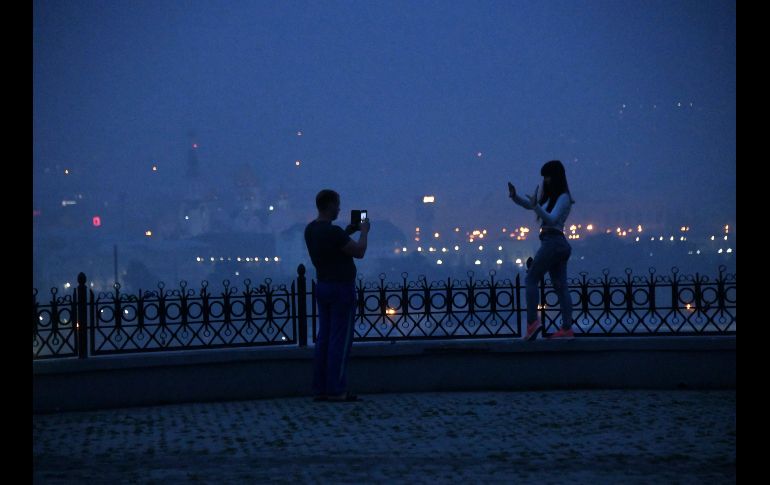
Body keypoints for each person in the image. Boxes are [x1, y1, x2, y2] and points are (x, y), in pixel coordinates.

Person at [304, 189, 370, 402]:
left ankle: (321, 388)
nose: (340, 208)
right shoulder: (333, 233)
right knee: (339, 341)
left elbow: (331, 246)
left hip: (323, 286)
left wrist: (346, 233)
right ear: (330, 205)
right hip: (341, 288)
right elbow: (359, 252)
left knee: (324, 338)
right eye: (338, 204)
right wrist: (364, 231)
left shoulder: (311, 230)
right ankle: (336, 389)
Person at [508, 160, 576, 339]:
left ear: (556, 177)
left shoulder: (563, 198)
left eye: (548, 176)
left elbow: (551, 219)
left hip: (553, 242)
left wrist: (536, 206)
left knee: (531, 278)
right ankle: (567, 329)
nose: (546, 180)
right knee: (561, 286)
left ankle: (532, 323)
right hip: (557, 244)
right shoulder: (554, 198)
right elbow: (531, 206)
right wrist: (515, 197)